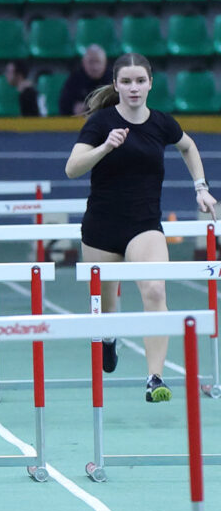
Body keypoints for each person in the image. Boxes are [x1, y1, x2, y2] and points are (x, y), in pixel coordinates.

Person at [65, 53, 216, 402]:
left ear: (150, 84)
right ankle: (108, 337)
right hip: (102, 227)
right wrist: (105, 147)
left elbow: (188, 146)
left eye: (140, 81)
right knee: (105, 306)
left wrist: (201, 187)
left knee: (155, 291)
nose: (134, 88)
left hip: (144, 226)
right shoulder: (101, 122)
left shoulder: (162, 123)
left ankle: (155, 378)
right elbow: (72, 169)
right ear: (115, 85)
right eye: (126, 81)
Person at [59, 44, 109, 116]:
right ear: (83, 63)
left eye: (98, 62)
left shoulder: (113, 80)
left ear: (105, 63)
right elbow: (64, 106)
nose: (95, 67)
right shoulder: (74, 80)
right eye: (91, 62)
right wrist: (73, 109)